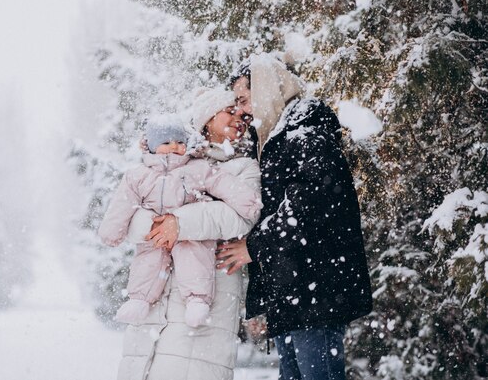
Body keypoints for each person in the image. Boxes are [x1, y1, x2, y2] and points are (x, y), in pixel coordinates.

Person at [216, 53, 373, 380]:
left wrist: (253, 247)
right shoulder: (275, 138)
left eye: (244, 99)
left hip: (314, 291)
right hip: (294, 294)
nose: (242, 110)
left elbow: (304, 206)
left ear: (266, 88)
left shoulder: (305, 132)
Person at [116, 88, 262, 380]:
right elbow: (126, 219)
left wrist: (177, 223)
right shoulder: (162, 160)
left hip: (208, 292)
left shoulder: (244, 167)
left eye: (244, 116)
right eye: (229, 112)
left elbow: (240, 217)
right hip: (155, 294)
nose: (239, 120)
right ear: (207, 118)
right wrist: (156, 226)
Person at [98, 114, 261, 328]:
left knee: (195, 257)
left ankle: (197, 299)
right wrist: (112, 231)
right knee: (147, 260)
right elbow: (123, 203)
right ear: (153, 146)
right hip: (154, 235)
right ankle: (139, 299)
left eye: (180, 142)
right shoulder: (139, 175)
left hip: (189, 233)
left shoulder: (196, 168)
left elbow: (221, 182)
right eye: (166, 143)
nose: (174, 146)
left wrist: (247, 202)